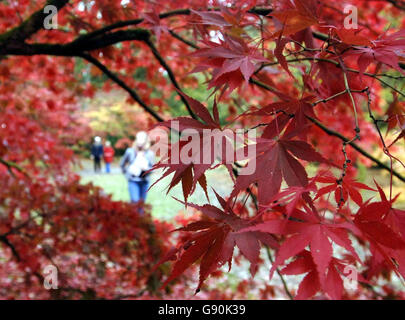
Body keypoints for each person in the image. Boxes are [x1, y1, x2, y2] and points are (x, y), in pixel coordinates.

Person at [120, 131, 155, 204]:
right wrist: (127, 173)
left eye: (142, 139)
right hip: (133, 181)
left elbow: (153, 169)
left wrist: (146, 169)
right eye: (138, 138)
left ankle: (141, 216)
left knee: (141, 204)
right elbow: (122, 164)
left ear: (146, 141)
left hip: (144, 182)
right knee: (135, 202)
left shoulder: (150, 154)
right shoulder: (130, 151)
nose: (140, 141)